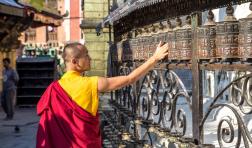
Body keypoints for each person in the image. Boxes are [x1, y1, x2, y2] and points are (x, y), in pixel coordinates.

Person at [36, 41, 168, 148]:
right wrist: (155, 58)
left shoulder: (53, 89)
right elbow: (129, 79)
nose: (90, 58)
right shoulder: (91, 83)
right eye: (86, 55)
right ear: (75, 61)